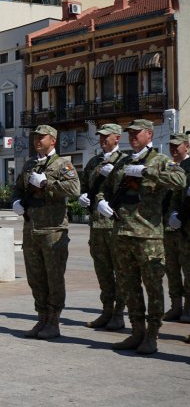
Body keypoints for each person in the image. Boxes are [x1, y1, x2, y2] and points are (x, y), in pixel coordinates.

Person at [96, 120, 186, 354]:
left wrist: (147, 171)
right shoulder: (124, 162)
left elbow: (180, 180)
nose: (133, 136)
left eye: (137, 133)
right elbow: (104, 188)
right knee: (128, 286)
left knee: (153, 287)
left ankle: (152, 335)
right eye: (130, 133)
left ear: (149, 134)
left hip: (149, 236)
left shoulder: (161, 160)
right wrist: (101, 203)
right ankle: (136, 332)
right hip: (122, 233)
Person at [12, 125, 80, 340]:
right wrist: (15, 200)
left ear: (53, 140)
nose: (37, 141)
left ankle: (53, 321)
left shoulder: (63, 164)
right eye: (35, 137)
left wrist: (47, 182)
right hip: (31, 228)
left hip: (52, 230)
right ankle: (41, 318)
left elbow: (74, 190)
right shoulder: (30, 163)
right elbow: (19, 187)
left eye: (42, 137)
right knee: (36, 277)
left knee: (54, 278)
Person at [77, 123, 128, 330]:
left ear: (117, 138)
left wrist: (116, 173)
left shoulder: (126, 161)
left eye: (107, 136)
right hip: (96, 225)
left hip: (116, 224)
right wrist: (82, 197)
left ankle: (119, 314)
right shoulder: (94, 161)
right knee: (103, 270)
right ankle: (106, 311)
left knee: (121, 270)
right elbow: (85, 187)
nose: (102, 139)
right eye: (100, 136)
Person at [163, 132, 190, 322]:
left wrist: (180, 216)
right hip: (168, 227)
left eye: (177, 146)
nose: (173, 149)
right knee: (171, 269)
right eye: (171, 146)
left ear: (186, 146)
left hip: (185, 228)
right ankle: (175, 306)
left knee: (188, 270)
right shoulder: (169, 167)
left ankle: (188, 309)